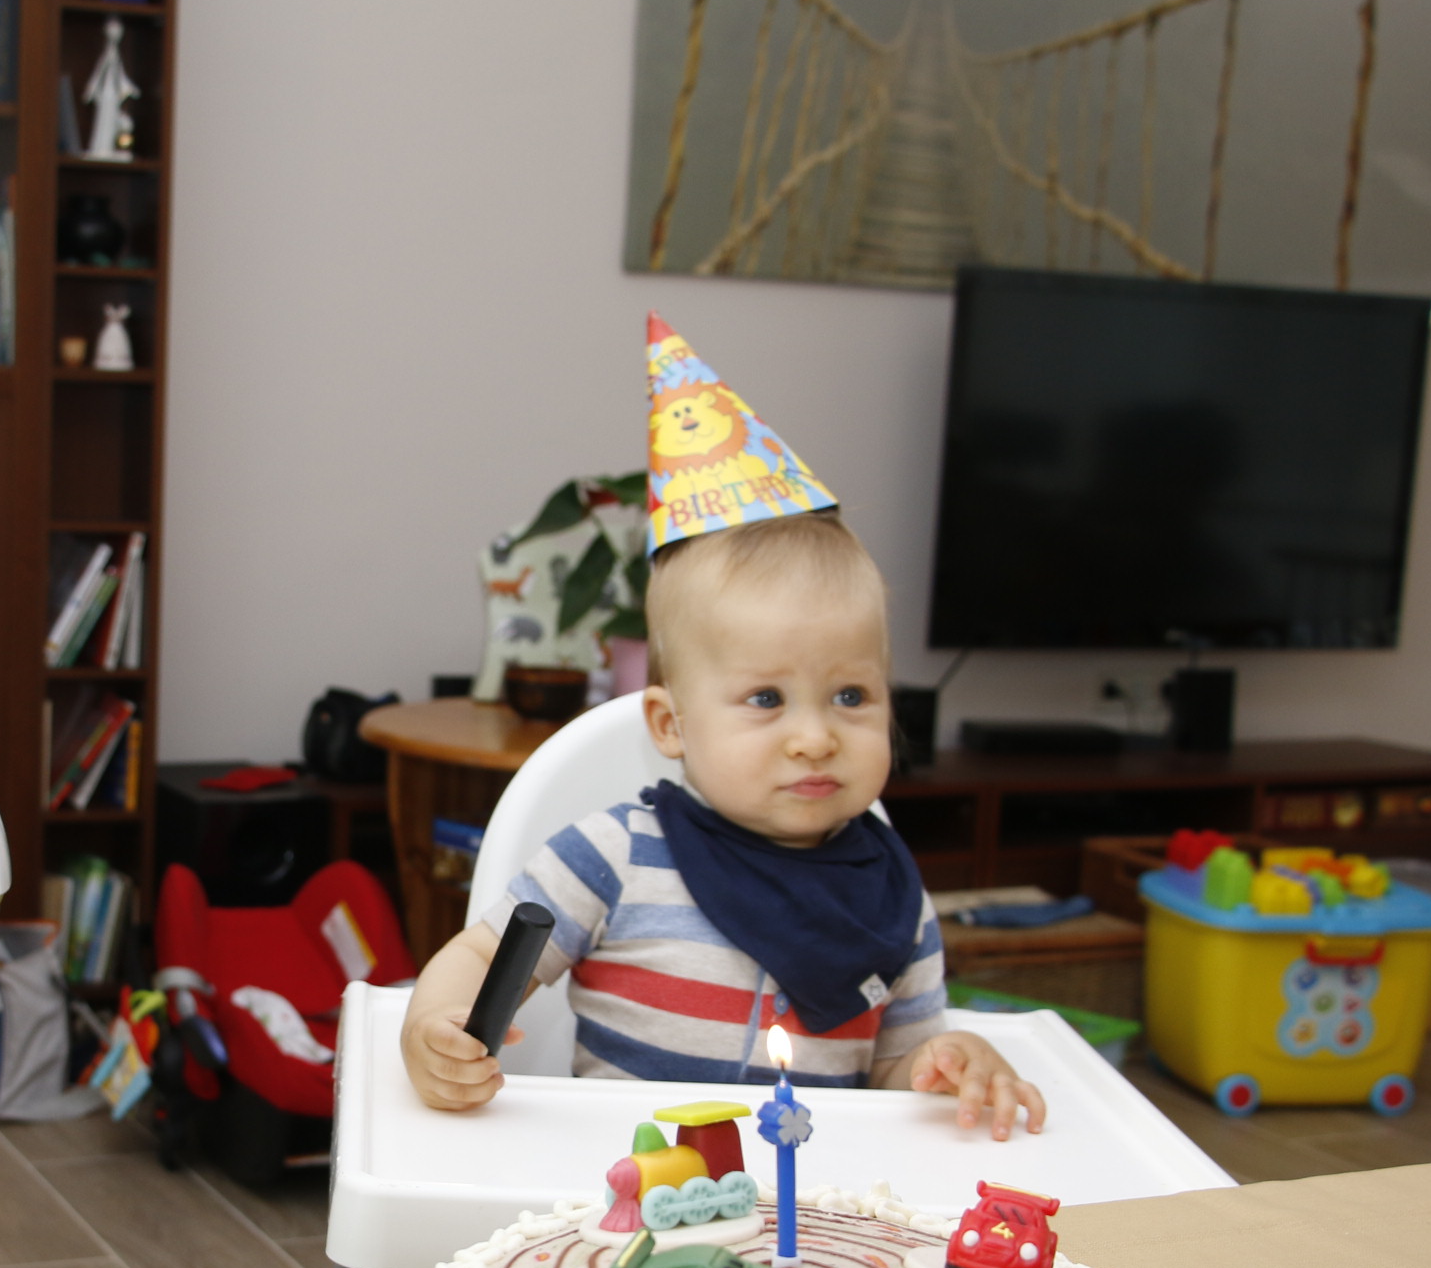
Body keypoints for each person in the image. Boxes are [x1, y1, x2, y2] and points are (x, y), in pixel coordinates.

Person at [402, 317, 1045, 1140]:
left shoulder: (892, 893)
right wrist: (436, 1028)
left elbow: (895, 1072)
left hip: (812, 1199)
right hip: (627, 1182)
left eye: (851, 695)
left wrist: (948, 1063)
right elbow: (476, 959)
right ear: (670, 724)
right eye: (767, 699)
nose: (815, 737)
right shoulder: (614, 856)